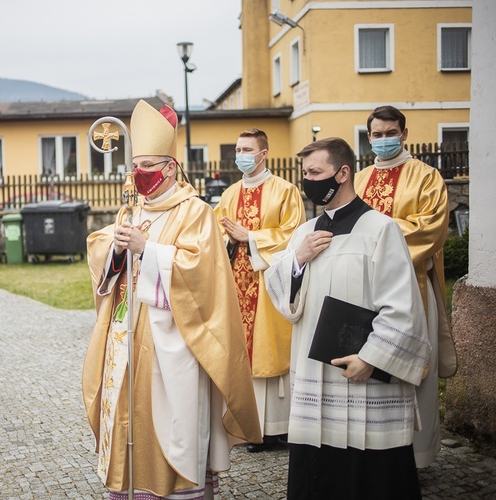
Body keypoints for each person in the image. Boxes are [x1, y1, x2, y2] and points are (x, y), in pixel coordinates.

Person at [83, 99, 262, 498]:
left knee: (169, 420)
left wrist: (149, 249)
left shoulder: (194, 212)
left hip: (173, 338)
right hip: (125, 333)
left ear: (169, 167)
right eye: (135, 167)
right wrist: (115, 248)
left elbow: (202, 273)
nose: (139, 175)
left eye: (147, 167)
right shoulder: (132, 208)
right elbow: (105, 253)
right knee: (129, 413)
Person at [265, 137, 431, 498]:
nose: (308, 180)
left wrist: (371, 358)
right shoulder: (305, 233)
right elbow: (282, 296)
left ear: (342, 173)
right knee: (317, 473)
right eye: (305, 173)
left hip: (362, 377)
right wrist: (297, 261)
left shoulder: (380, 229)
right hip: (315, 378)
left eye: (316, 172)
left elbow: (402, 306)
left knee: (369, 478)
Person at [355, 105, 456, 468]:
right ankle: (375, 455)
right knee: (370, 366)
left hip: (411, 284)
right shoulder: (360, 179)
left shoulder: (426, 176)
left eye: (391, 133)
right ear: (369, 138)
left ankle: (416, 457)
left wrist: (378, 238)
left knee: (412, 368)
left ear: (404, 133)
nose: (384, 140)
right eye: (377, 135)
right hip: (365, 287)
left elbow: (431, 229)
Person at [213, 129, 305, 452]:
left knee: (267, 354)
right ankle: (241, 422)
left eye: (247, 149)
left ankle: (275, 428)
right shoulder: (229, 194)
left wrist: (250, 236)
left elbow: (293, 234)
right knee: (239, 353)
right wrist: (231, 238)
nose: (241, 154)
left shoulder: (285, 191)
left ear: (263, 153)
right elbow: (216, 233)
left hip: (267, 286)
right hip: (236, 284)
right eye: (238, 149)